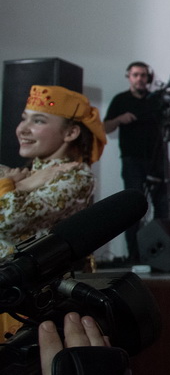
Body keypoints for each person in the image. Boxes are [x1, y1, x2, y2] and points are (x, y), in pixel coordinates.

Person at [1, 85, 106, 261]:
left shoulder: (75, 177)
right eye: (24, 118)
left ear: (71, 132)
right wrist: (21, 184)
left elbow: (7, 222)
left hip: (29, 277)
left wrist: (11, 185)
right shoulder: (23, 173)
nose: (22, 129)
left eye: (38, 121)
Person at [103, 62, 168, 257]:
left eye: (143, 75)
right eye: (136, 75)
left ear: (148, 78)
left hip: (157, 158)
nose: (140, 79)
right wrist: (119, 119)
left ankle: (161, 252)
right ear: (129, 77)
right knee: (133, 206)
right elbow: (105, 128)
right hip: (132, 159)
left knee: (162, 205)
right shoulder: (120, 99)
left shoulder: (156, 99)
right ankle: (134, 255)